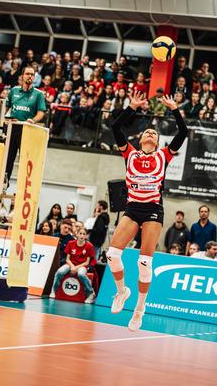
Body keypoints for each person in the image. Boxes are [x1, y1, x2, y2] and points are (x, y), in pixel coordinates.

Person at [105, 91, 187, 332]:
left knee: (144, 260)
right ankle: (122, 292)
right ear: (140, 139)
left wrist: (174, 109)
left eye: (155, 133)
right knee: (112, 255)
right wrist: (131, 107)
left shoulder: (164, 155)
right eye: (147, 132)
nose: (151, 133)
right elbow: (115, 126)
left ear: (158, 142)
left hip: (153, 210)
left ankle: (140, 308)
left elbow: (183, 132)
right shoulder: (129, 153)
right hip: (132, 208)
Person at [3, 66, 46, 182]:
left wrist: (33, 120)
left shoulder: (38, 94)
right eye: (27, 74)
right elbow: (6, 108)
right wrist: (0, 116)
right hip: (12, 129)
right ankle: (4, 183)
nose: (30, 76)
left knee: (26, 160)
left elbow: (41, 112)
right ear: (22, 76)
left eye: (32, 74)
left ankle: (24, 185)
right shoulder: (14, 91)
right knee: (8, 159)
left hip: (27, 130)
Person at [50, 227, 96, 304]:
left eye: (84, 234)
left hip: (82, 265)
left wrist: (76, 268)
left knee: (81, 274)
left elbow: (87, 262)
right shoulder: (71, 243)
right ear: (77, 234)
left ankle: (91, 294)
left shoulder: (89, 246)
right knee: (60, 272)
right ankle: (53, 291)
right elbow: (67, 259)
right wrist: (72, 266)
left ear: (86, 236)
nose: (82, 235)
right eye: (80, 233)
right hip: (70, 264)